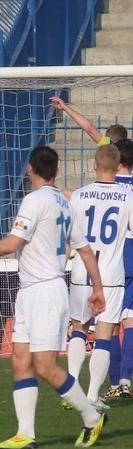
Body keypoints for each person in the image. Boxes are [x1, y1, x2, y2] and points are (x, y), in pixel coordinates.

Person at [0, 146, 108, 449]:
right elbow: (86, 250)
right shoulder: (65, 204)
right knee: (20, 361)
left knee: (45, 366)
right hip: (29, 290)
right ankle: (25, 434)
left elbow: (13, 243)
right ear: (57, 171)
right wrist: (98, 288)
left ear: (29, 169)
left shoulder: (34, 199)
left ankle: (91, 416)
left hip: (46, 292)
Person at [65, 144, 133, 412]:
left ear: (94, 165)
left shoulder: (79, 196)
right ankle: (92, 396)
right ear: (117, 167)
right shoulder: (128, 196)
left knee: (79, 329)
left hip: (82, 271)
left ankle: (71, 389)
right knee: (104, 334)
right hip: (111, 276)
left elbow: (70, 237)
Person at [111, 138, 133, 398]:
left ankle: (115, 383)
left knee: (108, 323)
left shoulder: (108, 187)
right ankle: (126, 378)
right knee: (130, 321)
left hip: (114, 259)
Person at [50, 97, 127, 145]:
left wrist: (65, 108)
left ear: (108, 138)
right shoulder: (129, 152)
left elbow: (90, 128)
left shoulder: (110, 146)